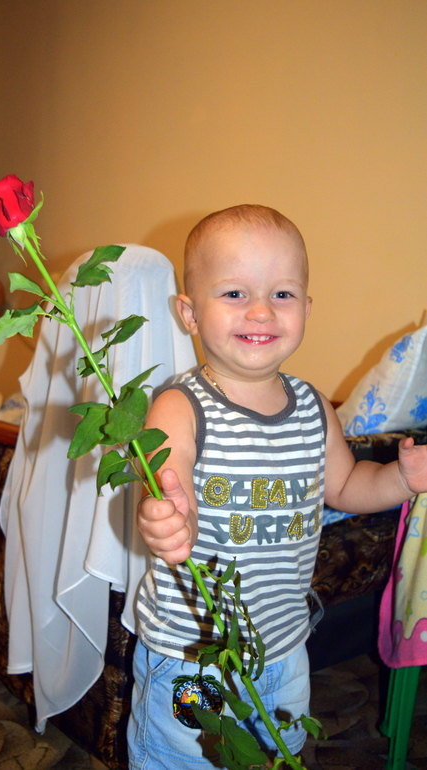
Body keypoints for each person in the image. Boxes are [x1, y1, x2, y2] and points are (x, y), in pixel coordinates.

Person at [127, 204, 427, 769]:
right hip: (197, 654)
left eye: (283, 294)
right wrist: (167, 517)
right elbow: (168, 483)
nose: (262, 309)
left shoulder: (313, 407)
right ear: (189, 313)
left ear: (306, 308)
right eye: (234, 293)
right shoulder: (179, 406)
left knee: (277, 754)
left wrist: (400, 478)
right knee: (183, 761)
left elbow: (345, 485)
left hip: (284, 645)